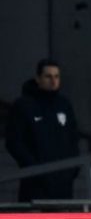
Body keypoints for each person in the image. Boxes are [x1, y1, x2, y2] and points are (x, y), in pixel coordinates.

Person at [6, 59, 80, 202]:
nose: (53, 81)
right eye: (48, 76)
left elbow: (73, 139)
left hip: (63, 187)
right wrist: (34, 170)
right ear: (38, 78)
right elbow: (14, 142)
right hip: (35, 188)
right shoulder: (24, 106)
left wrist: (72, 170)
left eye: (56, 76)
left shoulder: (64, 105)